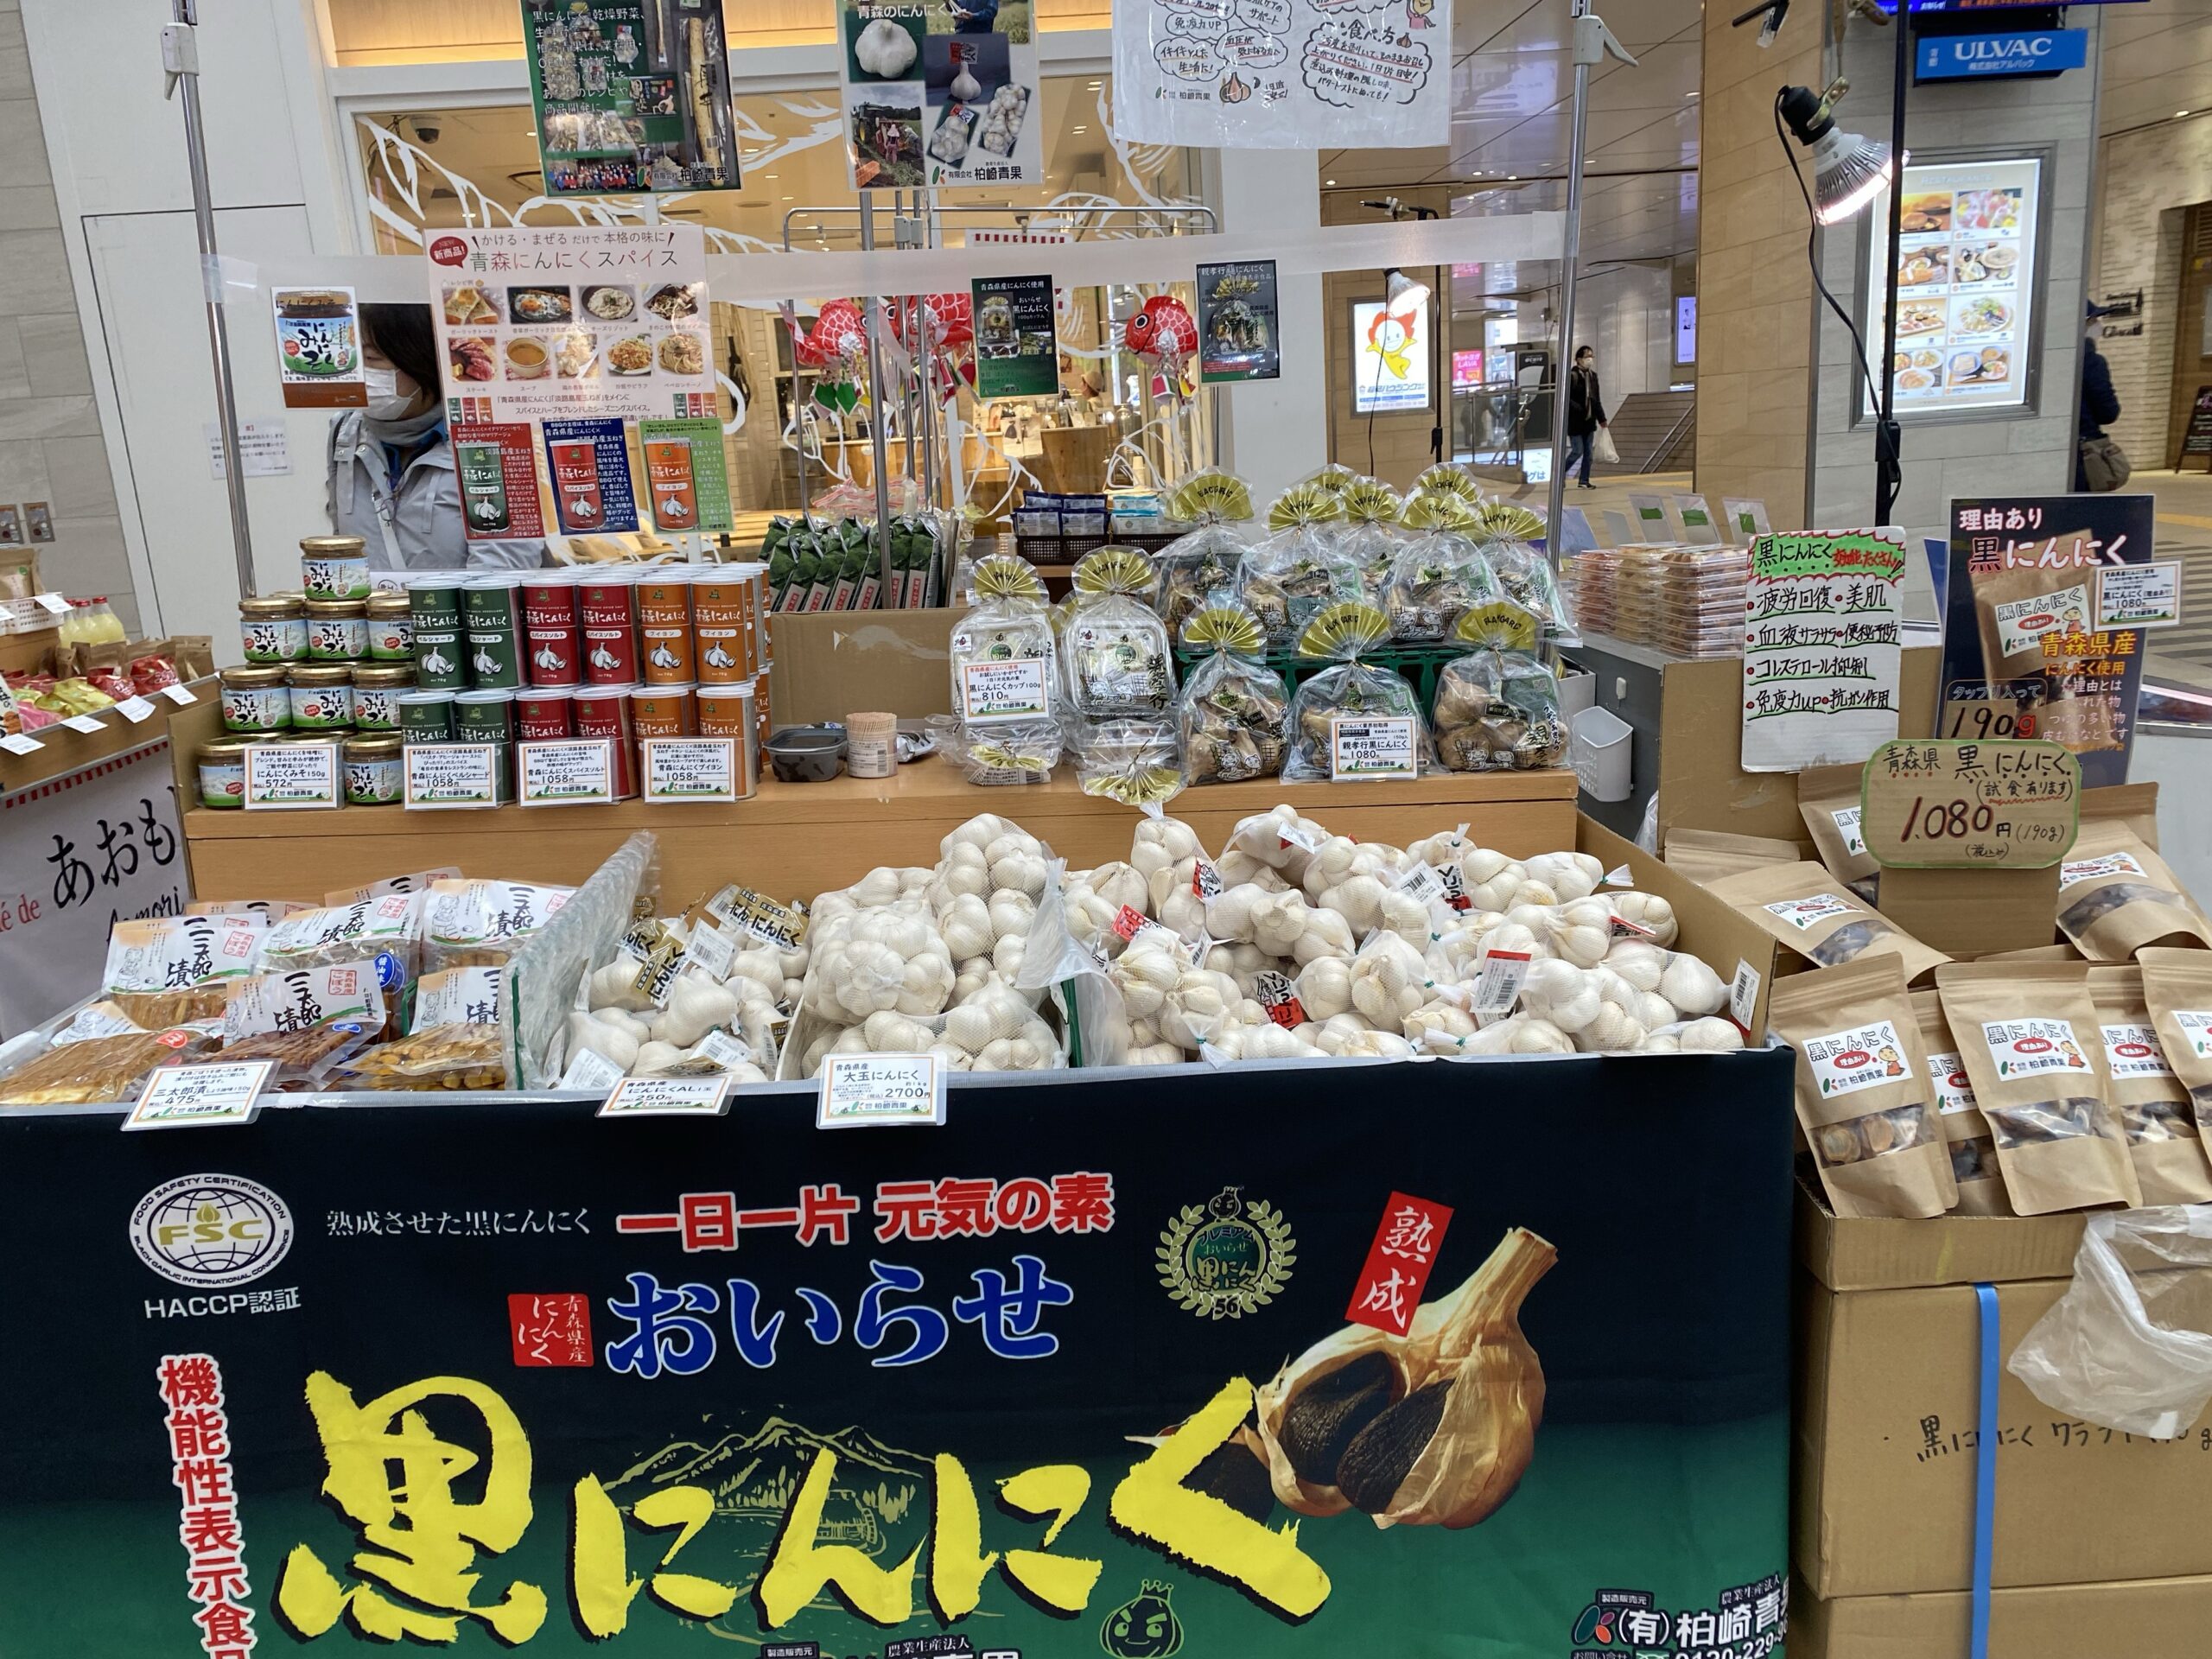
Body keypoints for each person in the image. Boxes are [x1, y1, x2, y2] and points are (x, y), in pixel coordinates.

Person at [327, 302, 546, 572]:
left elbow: (503, 569)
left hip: (455, 601)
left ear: (420, 359)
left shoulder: (492, 438)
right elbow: (343, 547)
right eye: (352, 358)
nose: (358, 374)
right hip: (375, 602)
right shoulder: (345, 430)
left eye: (371, 359)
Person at [2077, 301, 2122, 493]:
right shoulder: (2092, 362)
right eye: (2094, 320)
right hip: (2084, 451)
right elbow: (2108, 412)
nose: (2099, 325)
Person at [1566, 345, 1607, 489]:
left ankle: (1584, 480)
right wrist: (1578, 408)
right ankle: (1559, 474)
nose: (1590, 359)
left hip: (1589, 421)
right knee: (1577, 451)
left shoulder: (1593, 376)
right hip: (1575, 421)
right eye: (1586, 356)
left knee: (1588, 453)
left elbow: (1596, 399)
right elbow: (1566, 398)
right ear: (1578, 359)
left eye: (1591, 356)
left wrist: (1602, 419)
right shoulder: (1572, 376)